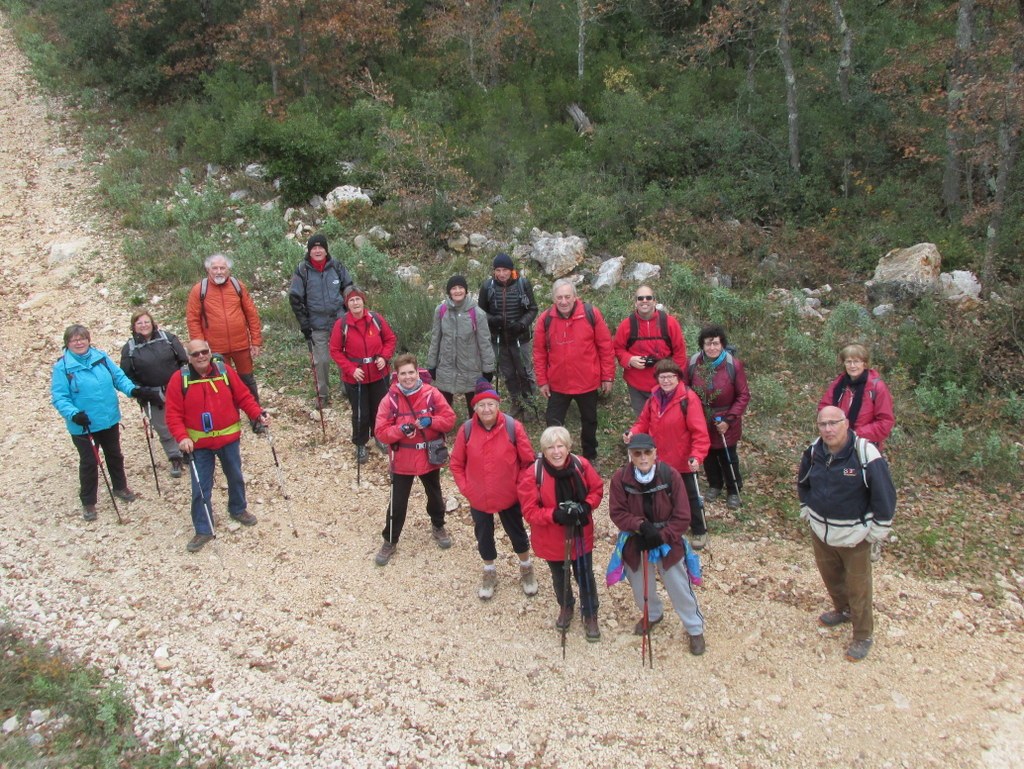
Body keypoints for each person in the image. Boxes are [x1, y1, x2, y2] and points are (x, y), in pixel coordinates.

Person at [798, 406, 896, 662]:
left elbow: (884, 494)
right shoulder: (813, 451)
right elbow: (803, 481)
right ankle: (842, 611)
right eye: (823, 424)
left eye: (834, 423)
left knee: (859, 587)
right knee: (831, 578)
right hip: (821, 531)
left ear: (846, 423)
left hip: (855, 536)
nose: (828, 429)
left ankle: (863, 635)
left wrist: (877, 530)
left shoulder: (865, 453)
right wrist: (807, 508)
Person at [165, 339, 269, 553]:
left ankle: (238, 509)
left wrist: (257, 414)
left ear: (211, 352)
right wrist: (181, 437)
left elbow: (243, 396)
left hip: (228, 439)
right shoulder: (179, 379)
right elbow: (173, 414)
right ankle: (203, 528)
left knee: (235, 477)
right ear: (189, 357)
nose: (201, 357)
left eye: (204, 352)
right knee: (200, 487)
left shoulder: (225, 371)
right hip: (198, 444)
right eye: (195, 354)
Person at [51, 324, 163, 520]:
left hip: (108, 418)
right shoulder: (63, 367)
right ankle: (88, 502)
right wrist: (73, 413)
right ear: (67, 343)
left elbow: (118, 378)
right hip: (83, 425)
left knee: (114, 455)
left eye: (82, 338)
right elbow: (60, 397)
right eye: (74, 340)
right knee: (89, 462)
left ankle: (120, 487)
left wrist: (133, 390)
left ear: (88, 339)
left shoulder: (100, 358)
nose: (79, 342)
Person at [608, 433, 706, 656]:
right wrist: (640, 526)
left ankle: (694, 628)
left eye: (647, 452)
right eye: (637, 453)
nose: (643, 458)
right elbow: (617, 512)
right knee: (640, 584)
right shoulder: (620, 479)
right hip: (636, 538)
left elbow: (683, 515)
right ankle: (652, 614)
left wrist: (662, 536)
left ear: (655, 453)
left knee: (678, 584)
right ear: (630, 455)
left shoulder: (670, 475)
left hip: (667, 539)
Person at [450, 378, 539, 600]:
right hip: (478, 496)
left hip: (509, 495)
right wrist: (466, 489)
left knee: (516, 532)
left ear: (498, 406)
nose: (486, 409)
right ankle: (489, 570)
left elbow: (528, 462)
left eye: (491, 404)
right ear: (475, 408)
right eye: (481, 405)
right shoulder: (467, 430)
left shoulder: (512, 427)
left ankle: (526, 567)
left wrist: (520, 488)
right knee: (483, 535)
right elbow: (456, 463)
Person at [518, 426, 605, 641]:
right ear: (543, 450)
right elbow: (529, 511)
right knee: (559, 575)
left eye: (560, 446)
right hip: (551, 538)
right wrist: (555, 515)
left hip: (580, 533)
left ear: (568, 447)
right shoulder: (533, 473)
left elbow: (597, 490)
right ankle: (566, 605)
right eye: (550, 447)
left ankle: (590, 613)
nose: (556, 452)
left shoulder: (581, 465)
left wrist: (586, 505)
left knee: (585, 575)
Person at [373, 353, 458, 566]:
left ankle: (438, 526)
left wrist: (432, 421)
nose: (408, 377)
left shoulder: (432, 394)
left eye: (411, 372)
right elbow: (381, 432)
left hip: (429, 456)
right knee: (398, 502)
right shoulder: (390, 399)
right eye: (403, 373)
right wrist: (400, 430)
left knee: (435, 495)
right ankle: (390, 539)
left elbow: (449, 420)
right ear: (397, 375)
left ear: (417, 371)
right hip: (403, 458)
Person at [625, 360, 711, 548]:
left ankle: (699, 530)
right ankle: (670, 528)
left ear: (678, 378)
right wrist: (633, 432)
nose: (666, 381)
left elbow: (700, 432)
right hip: (658, 459)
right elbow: (643, 423)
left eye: (670, 377)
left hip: (682, 460)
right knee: (661, 495)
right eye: (662, 377)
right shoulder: (654, 398)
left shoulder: (688, 399)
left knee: (689, 496)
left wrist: (697, 456)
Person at [533, 279, 615, 463]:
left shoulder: (590, 314)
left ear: (575, 296)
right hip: (558, 383)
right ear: (553, 298)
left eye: (567, 297)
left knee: (590, 421)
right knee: (553, 423)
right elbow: (539, 352)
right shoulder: (545, 319)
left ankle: (590, 456)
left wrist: (607, 376)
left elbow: (605, 346)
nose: (563, 301)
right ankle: (555, 458)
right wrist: (542, 380)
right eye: (559, 297)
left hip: (587, 381)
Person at [685, 325, 750, 510]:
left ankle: (733, 489)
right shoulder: (693, 363)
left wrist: (729, 420)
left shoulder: (732, 365)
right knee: (707, 454)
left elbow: (743, 395)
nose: (712, 347)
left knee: (728, 455)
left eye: (715, 343)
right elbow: (685, 387)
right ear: (702, 345)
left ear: (722, 344)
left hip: (726, 418)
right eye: (708, 344)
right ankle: (715, 484)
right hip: (701, 416)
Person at [329, 287, 397, 464]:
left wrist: (384, 357)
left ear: (363, 301)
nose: (355, 303)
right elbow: (335, 350)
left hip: (378, 373)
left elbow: (390, 339)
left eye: (358, 299)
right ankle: (360, 443)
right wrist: (351, 369)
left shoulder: (376, 319)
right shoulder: (341, 324)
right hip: (355, 377)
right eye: (351, 300)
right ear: (347, 304)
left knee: (380, 409)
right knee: (360, 413)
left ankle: (380, 436)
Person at [119, 310, 190, 478]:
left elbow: (184, 361)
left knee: (184, 419)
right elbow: (126, 376)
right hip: (151, 395)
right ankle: (175, 457)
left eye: (146, 322)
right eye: (139, 323)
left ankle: (187, 449)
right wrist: (140, 391)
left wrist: (185, 383)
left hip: (176, 389)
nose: (144, 326)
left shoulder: (168, 338)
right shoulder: (128, 349)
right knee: (163, 427)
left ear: (153, 323)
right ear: (134, 327)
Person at [185, 253, 263, 404]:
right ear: (208, 269)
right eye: (215, 268)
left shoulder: (238, 286)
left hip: (241, 345)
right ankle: (228, 415)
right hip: (215, 348)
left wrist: (256, 341)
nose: (219, 271)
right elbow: (193, 320)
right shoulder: (199, 290)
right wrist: (200, 347)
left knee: (247, 381)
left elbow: (251, 314)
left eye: (222, 268)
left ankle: (256, 416)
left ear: (228, 270)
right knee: (222, 382)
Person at [289, 233, 352, 406]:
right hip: (317, 324)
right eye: (314, 248)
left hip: (339, 321)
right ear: (309, 251)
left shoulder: (336, 267)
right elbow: (295, 298)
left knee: (345, 355)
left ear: (326, 250)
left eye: (320, 247)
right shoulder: (302, 270)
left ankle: (348, 388)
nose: (317, 251)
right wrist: (304, 323)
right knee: (321, 361)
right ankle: (322, 395)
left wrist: (349, 311)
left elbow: (349, 287)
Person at [477, 253, 539, 418]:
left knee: (525, 372)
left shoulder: (522, 284)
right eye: (498, 270)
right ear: (494, 270)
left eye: (505, 269)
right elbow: (480, 311)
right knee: (508, 373)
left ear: (511, 270)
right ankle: (516, 402)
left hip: (520, 338)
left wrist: (521, 324)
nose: (502, 273)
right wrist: (493, 320)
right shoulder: (487, 287)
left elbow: (533, 308)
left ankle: (531, 404)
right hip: (498, 338)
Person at [613, 285, 688, 416]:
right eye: (640, 298)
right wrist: (629, 359)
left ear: (654, 301)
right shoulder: (626, 325)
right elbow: (617, 349)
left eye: (648, 297)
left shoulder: (670, 323)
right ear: (635, 302)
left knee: (666, 420)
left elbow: (680, 353)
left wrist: (675, 378)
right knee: (643, 420)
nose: (644, 301)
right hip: (637, 385)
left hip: (666, 384)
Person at [426, 275, 495, 416]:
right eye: (453, 288)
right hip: (446, 366)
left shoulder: (477, 313)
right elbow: (435, 339)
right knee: (442, 407)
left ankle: (475, 430)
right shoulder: (441, 311)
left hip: (471, 368)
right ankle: (442, 430)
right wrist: (431, 365)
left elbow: (485, 343)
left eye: (460, 288)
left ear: (466, 290)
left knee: (475, 408)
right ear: (449, 292)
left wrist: (488, 368)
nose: (457, 291)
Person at [818, 343, 895, 450]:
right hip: (837, 442)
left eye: (856, 361)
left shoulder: (876, 387)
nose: (852, 366)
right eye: (848, 362)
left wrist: (855, 434)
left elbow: (885, 422)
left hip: (865, 445)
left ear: (865, 363)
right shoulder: (839, 383)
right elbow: (824, 408)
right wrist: (832, 428)